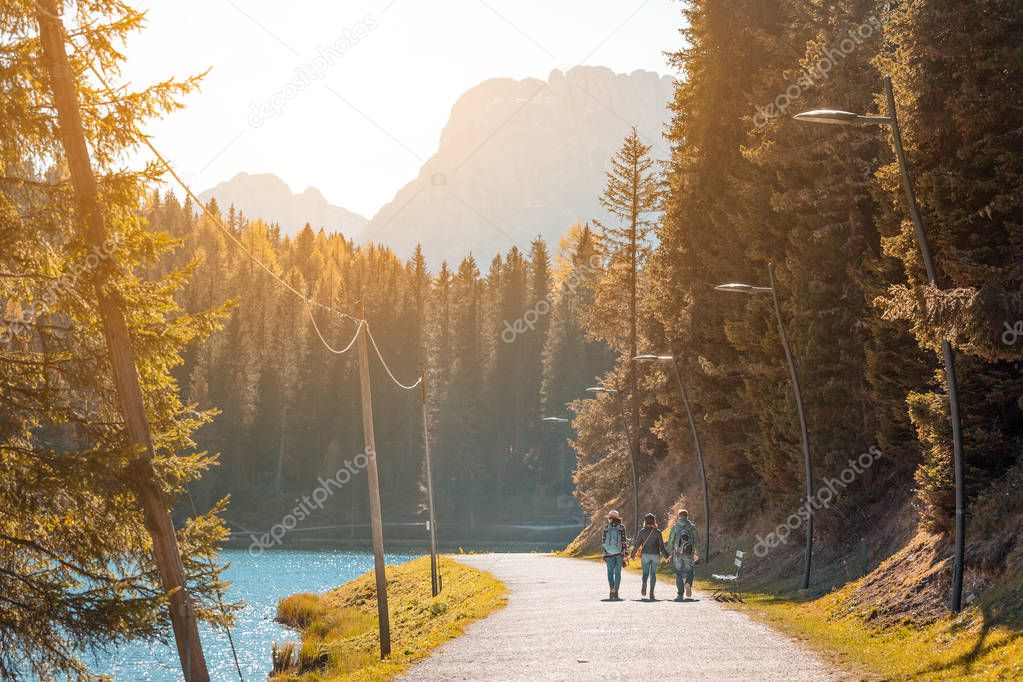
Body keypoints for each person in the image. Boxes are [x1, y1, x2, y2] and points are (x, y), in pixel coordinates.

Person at [630, 512, 670, 600]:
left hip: (645, 555)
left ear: (645, 521)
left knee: (645, 573)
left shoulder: (642, 532)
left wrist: (632, 555)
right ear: (654, 521)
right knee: (653, 574)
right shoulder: (658, 532)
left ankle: (644, 583)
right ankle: (651, 593)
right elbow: (661, 546)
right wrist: (666, 556)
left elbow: (637, 544)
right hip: (655, 555)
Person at [667, 509, 700, 600]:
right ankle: (688, 583)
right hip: (689, 553)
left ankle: (680, 594)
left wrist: (669, 554)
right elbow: (696, 541)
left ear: (679, 516)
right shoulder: (692, 527)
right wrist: (696, 553)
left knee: (678, 574)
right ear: (687, 517)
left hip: (677, 554)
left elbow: (670, 541)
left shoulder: (675, 527)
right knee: (690, 571)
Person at [601, 510, 629, 599]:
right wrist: (625, 553)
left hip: (609, 554)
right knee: (617, 573)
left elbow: (603, 540)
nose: (608, 519)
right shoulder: (621, 527)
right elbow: (624, 541)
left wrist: (605, 553)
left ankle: (611, 589)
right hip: (619, 553)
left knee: (610, 573)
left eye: (609, 518)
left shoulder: (606, 527)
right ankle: (616, 591)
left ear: (610, 518)